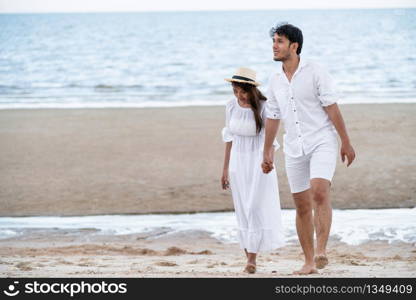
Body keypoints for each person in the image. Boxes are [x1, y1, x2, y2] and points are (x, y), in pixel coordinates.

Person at [262, 23, 356, 275]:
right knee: (302, 205)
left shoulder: (315, 71)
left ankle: (321, 250)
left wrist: (345, 141)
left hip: (322, 140)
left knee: (319, 192)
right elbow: (272, 116)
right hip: (293, 148)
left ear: (294, 46)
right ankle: (308, 262)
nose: (274, 45)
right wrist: (267, 150)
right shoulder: (275, 80)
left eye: (280, 41)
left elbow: (332, 107)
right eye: (274, 41)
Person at [221, 67, 285, 274]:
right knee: (242, 208)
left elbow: (271, 139)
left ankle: (252, 259)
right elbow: (229, 138)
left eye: (243, 91)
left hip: (258, 162)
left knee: (254, 207)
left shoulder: (265, 107)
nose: (239, 95)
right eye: (235, 90)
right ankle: (248, 257)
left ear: (252, 90)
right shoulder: (230, 106)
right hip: (237, 163)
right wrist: (224, 169)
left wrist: (268, 160)